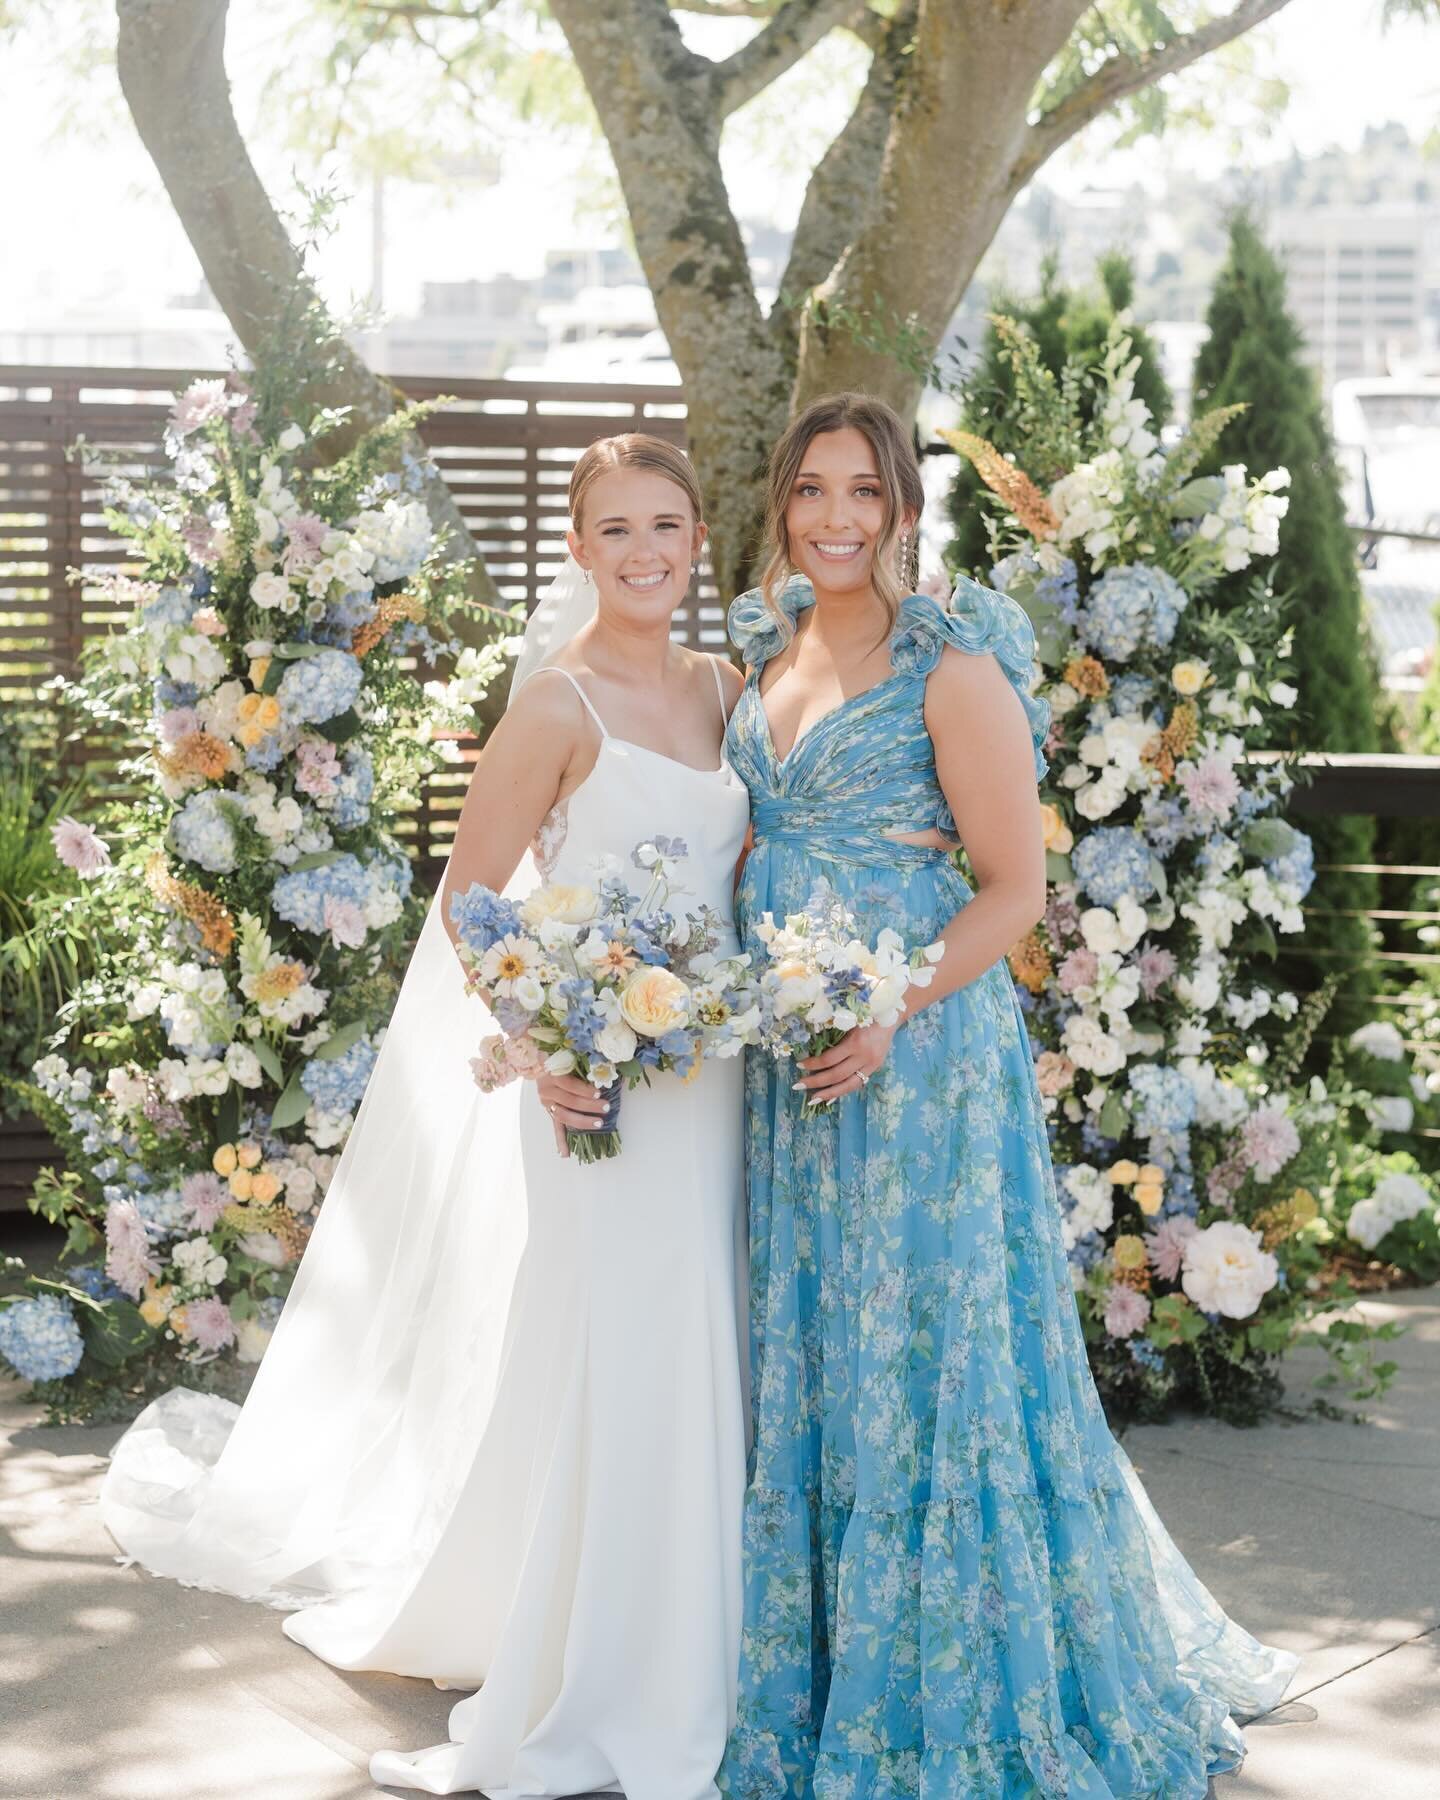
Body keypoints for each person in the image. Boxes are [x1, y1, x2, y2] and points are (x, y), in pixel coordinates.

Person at [99, 433, 753, 1800]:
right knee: (614, 1348)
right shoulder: (558, 708)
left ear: (700, 539)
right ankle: (592, 1654)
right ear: (580, 551)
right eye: (616, 528)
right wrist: (541, 1039)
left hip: (715, 1084)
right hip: (596, 1089)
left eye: (667, 525)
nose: (645, 551)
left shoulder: (728, 691)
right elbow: (472, 896)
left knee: (707, 1337)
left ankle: (706, 1632)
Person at [715, 393, 1297, 1800]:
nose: (837, 518)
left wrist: (885, 1004)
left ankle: (954, 1680)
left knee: (927, 1349)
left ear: (906, 505)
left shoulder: (949, 663)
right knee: (818, 1343)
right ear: (782, 504)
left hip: (917, 1068)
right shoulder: (762, 649)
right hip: (791, 1066)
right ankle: (821, 1657)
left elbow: (1016, 889)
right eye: (813, 491)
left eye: (865, 491)